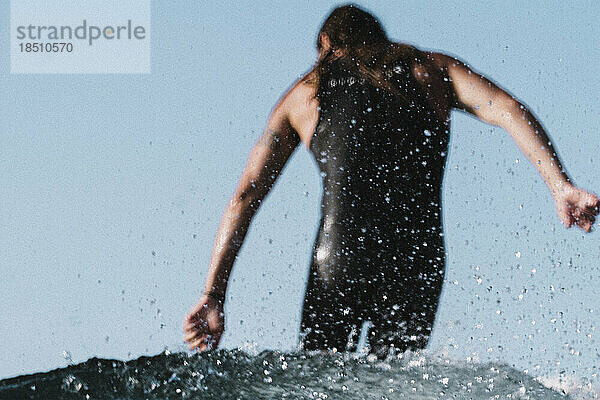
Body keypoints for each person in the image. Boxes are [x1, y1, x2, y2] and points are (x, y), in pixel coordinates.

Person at [183, 5, 599, 357]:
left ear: (326, 46)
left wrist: (213, 293)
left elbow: (246, 193)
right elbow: (508, 109)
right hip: (418, 260)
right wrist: (559, 184)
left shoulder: (307, 91)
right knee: (396, 386)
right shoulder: (431, 68)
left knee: (321, 383)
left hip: (340, 260)